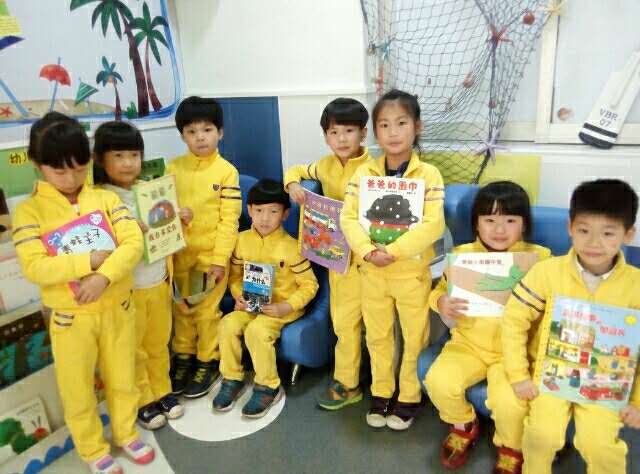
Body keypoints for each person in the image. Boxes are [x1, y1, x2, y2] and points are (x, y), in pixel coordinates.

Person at [13, 113, 154, 474]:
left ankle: (126, 433)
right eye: (59, 171)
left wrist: (103, 277)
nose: (71, 179)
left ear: (89, 161)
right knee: (77, 389)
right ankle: (92, 449)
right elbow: (35, 267)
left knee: (123, 377)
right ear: (37, 164)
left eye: (79, 169)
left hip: (118, 306)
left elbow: (132, 243)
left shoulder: (105, 199)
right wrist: (86, 262)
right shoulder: (29, 212)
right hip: (70, 318)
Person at [502, 179, 640, 474]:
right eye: (584, 230)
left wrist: (638, 400)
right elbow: (514, 319)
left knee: (599, 445)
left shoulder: (636, 285)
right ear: (570, 228)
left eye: (608, 233)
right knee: (542, 435)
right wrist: (518, 375)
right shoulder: (546, 272)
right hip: (551, 375)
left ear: (628, 234)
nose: (594, 243)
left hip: (606, 385)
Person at [424, 181, 551, 472]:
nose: (499, 229)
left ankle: (511, 446)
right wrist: (441, 302)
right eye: (490, 221)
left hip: (515, 354)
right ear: (476, 224)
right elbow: (440, 291)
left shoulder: (541, 260)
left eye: (510, 221)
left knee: (511, 403)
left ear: (524, 224)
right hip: (468, 344)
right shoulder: (463, 255)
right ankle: (463, 424)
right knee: (438, 381)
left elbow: (556, 301)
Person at [341, 89, 445, 430]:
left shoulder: (428, 174)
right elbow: (348, 217)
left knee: (415, 336)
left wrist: (394, 251)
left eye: (401, 123)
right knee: (377, 335)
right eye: (384, 125)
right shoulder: (363, 173)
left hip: (411, 273)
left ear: (417, 127)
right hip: (372, 271)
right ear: (375, 132)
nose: (393, 132)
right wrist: (368, 251)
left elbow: (434, 224)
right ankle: (381, 391)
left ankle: (410, 395)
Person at [93, 121, 184, 431]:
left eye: (134, 155)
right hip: (127, 289)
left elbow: (165, 226)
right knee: (133, 349)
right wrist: (128, 231)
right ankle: (143, 398)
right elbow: (100, 246)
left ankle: (163, 390)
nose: (128, 163)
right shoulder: (99, 199)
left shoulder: (150, 189)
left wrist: (179, 218)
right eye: (118, 156)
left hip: (157, 279)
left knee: (158, 342)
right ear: (100, 159)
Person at [284, 97, 371, 409]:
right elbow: (295, 170)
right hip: (338, 259)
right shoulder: (324, 165)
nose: (341, 139)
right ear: (325, 136)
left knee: (378, 327)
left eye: (349, 131)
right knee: (344, 323)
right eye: (334, 132)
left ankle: (386, 386)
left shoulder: (376, 169)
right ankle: (348, 383)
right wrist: (293, 185)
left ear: (363, 133)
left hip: (372, 261)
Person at [212, 179, 319, 417]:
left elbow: (310, 284)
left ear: (285, 214)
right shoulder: (241, 240)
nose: (264, 218)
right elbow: (234, 276)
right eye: (259, 210)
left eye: (273, 211)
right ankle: (232, 378)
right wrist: (238, 296)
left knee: (257, 331)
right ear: (249, 210)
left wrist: (286, 306)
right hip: (251, 304)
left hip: (281, 309)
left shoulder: (293, 247)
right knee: (227, 324)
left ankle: (268, 386)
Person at [167, 96, 242, 398]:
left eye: (207, 130)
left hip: (211, 258)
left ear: (220, 132)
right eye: (192, 131)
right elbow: (161, 213)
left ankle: (207, 360)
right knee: (182, 309)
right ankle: (183, 356)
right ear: (182, 135)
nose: (200, 137)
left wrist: (220, 260)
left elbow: (229, 220)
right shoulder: (172, 168)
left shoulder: (226, 171)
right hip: (178, 255)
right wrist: (175, 216)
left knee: (206, 313)